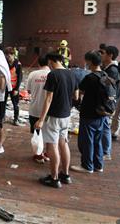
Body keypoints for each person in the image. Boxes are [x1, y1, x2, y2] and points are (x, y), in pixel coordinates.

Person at [35, 52, 78, 188]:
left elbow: (48, 99)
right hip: (66, 115)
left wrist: (41, 119)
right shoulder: (72, 73)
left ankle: (54, 178)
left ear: (52, 61)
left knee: (52, 146)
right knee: (63, 143)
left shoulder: (53, 75)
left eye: (49, 62)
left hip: (54, 116)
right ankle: (65, 175)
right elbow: (76, 96)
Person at [70, 51, 106, 174]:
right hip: (101, 113)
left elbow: (80, 92)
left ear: (90, 61)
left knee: (87, 140)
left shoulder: (90, 77)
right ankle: (98, 165)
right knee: (97, 140)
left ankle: (87, 166)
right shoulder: (105, 75)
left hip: (89, 113)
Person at [26, 56, 51, 163]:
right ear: (49, 63)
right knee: (49, 133)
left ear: (38, 63)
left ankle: (38, 154)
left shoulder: (33, 74)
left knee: (37, 133)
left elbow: (29, 91)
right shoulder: (52, 74)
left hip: (34, 108)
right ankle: (48, 153)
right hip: (48, 110)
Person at [100, 45, 120, 160]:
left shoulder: (112, 70)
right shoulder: (109, 68)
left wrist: (106, 104)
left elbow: (109, 89)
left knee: (105, 126)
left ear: (110, 55)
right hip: (107, 102)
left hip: (107, 102)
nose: (102, 55)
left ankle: (106, 152)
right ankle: (104, 150)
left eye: (104, 53)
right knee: (104, 125)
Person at [4, 47, 23, 126]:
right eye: (6, 55)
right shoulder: (4, 63)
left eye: (10, 55)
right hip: (5, 87)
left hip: (14, 87)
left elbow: (20, 77)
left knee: (15, 104)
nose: (8, 56)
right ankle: (2, 117)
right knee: (3, 102)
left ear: (13, 55)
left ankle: (16, 119)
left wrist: (17, 89)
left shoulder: (18, 64)